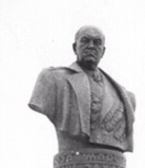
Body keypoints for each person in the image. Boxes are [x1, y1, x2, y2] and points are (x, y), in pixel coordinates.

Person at [28, 25, 136, 153]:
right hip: (73, 164)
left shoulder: (125, 97)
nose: (91, 46)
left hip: (112, 167)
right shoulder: (53, 79)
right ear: (75, 47)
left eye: (97, 42)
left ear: (103, 51)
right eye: (85, 40)